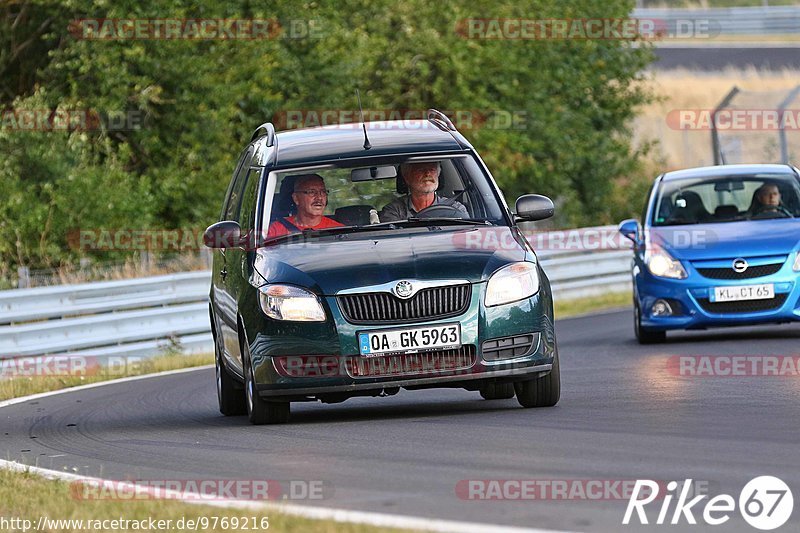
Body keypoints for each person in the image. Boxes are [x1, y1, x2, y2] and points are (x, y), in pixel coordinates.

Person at [379, 161, 468, 222]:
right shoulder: (394, 211)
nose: (427, 174)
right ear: (406, 177)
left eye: (432, 169)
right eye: (420, 170)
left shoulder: (456, 209)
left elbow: (464, 238)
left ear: (438, 175)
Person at [266, 174, 344, 238]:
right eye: (312, 192)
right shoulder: (276, 230)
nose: (319, 197)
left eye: (323, 192)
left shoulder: (338, 231)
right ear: (296, 198)